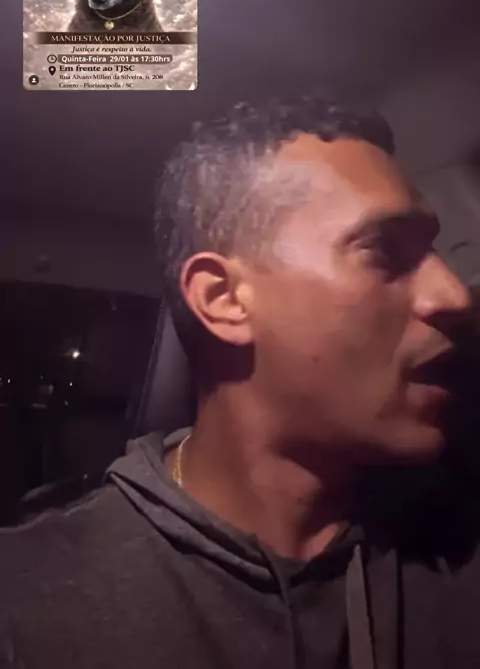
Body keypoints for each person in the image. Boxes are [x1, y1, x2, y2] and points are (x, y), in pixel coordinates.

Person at [0, 96, 478, 669]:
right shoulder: (24, 607)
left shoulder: (458, 552)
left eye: (433, 252)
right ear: (224, 299)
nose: (454, 296)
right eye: (384, 251)